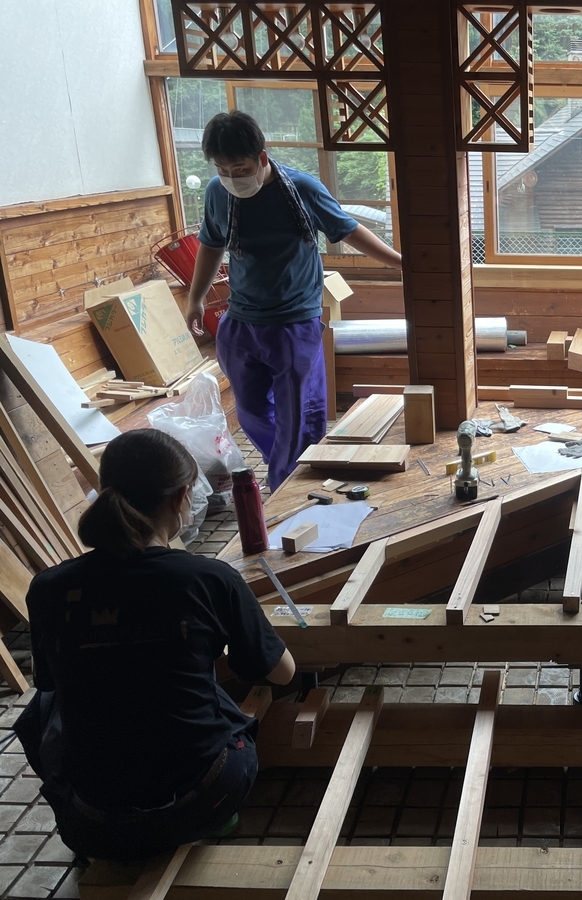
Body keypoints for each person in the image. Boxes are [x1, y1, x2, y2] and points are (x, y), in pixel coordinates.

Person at [15, 430, 295, 861]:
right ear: (181, 497)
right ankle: (215, 820)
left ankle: (103, 825)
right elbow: (282, 673)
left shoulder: (49, 587)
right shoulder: (207, 579)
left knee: (45, 705)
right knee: (209, 694)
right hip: (202, 800)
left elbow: (51, 680)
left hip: (91, 821)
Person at [186, 111, 405, 492]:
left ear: (262, 157)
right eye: (223, 170)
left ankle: (285, 488)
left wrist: (401, 264)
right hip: (241, 321)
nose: (233, 178)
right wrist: (196, 298)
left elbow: (348, 230)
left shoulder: (301, 189)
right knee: (250, 411)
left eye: (240, 169)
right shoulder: (217, 193)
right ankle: (290, 468)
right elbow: (211, 244)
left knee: (298, 416)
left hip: (293, 322)